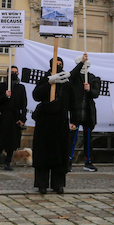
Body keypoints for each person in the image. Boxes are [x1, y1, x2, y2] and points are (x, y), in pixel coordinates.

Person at [32, 57, 78, 194]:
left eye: (60, 64)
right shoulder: (44, 80)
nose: (58, 66)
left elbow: (73, 104)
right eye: (55, 65)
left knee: (60, 155)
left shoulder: (66, 84)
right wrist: (49, 83)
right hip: (45, 123)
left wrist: (74, 121)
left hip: (61, 123)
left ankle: (58, 184)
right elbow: (36, 95)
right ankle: (42, 184)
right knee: (43, 155)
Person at [0, 66, 27, 171]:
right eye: (12, 72)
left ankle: (8, 162)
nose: (14, 74)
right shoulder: (1, 86)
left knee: (12, 142)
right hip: (3, 117)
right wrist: (5, 96)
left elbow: (24, 104)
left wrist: (23, 119)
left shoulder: (20, 88)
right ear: (7, 74)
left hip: (15, 118)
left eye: (16, 72)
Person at [69, 53, 101, 172]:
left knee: (88, 140)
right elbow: (71, 75)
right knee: (72, 138)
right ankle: (69, 161)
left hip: (88, 113)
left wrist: (89, 90)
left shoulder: (92, 78)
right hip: (75, 113)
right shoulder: (75, 78)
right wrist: (81, 63)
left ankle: (88, 161)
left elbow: (96, 93)